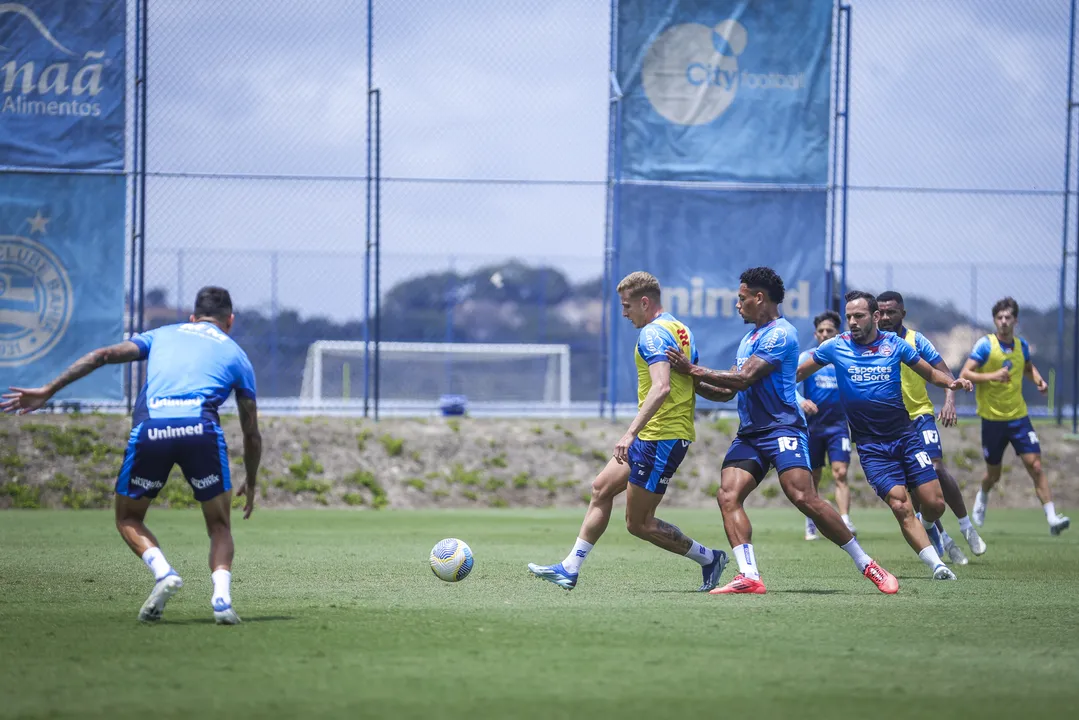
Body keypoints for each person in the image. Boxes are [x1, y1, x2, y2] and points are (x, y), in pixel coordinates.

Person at [2, 287, 262, 624]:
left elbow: (103, 355)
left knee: (128, 518)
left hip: (152, 429)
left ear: (192, 317)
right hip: (201, 430)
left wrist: (49, 390)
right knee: (219, 525)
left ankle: (164, 572)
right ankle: (222, 601)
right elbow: (251, 432)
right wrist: (252, 482)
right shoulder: (237, 354)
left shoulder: (161, 335)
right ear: (230, 321)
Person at [665, 268, 899, 595]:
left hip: (782, 428)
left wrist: (689, 368)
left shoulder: (780, 334)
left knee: (803, 497)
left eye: (742, 298)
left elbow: (744, 377)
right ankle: (749, 575)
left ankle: (866, 564)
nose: (737, 304)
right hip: (751, 434)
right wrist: (689, 381)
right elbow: (730, 390)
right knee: (728, 495)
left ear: (760, 298)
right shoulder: (748, 339)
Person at [527, 271, 728, 591]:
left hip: (662, 436)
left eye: (627, 306)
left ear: (644, 302)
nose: (624, 313)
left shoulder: (652, 334)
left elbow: (662, 387)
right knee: (601, 488)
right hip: (655, 434)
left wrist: (629, 433)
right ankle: (569, 568)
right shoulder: (681, 329)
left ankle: (710, 558)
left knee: (639, 524)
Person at [798, 291, 974, 580]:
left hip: (906, 437)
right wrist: (766, 384)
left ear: (875, 317)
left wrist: (952, 383)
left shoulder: (894, 344)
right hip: (871, 447)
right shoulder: (835, 346)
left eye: (859, 316)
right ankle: (937, 565)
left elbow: (930, 373)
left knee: (934, 504)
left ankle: (928, 524)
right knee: (900, 504)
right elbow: (796, 373)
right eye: (849, 316)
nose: (852, 322)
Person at [877, 290, 987, 563]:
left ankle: (966, 527)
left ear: (903, 314)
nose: (886, 317)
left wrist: (949, 401)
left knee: (935, 468)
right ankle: (941, 537)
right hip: (889, 425)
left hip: (919, 416)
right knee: (913, 487)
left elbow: (946, 374)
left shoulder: (916, 341)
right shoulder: (871, 343)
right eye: (881, 312)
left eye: (892, 312)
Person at [960, 297, 1070, 535]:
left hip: (1019, 418)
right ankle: (984, 494)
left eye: (1008, 317)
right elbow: (965, 373)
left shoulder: (1022, 346)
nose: (1003, 322)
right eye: (999, 318)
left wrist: (1039, 381)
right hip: (992, 420)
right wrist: (993, 376)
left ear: (1015, 320)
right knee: (994, 474)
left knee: (1036, 466)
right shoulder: (986, 345)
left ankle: (1052, 518)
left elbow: (1027, 367)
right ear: (994, 320)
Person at [797, 310, 856, 541]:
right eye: (820, 331)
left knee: (840, 473)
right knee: (813, 476)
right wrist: (802, 402)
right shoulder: (806, 358)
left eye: (829, 331)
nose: (824, 334)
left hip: (838, 426)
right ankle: (811, 520)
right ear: (815, 334)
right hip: (812, 427)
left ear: (837, 333)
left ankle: (845, 520)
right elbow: (789, 385)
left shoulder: (845, 358)